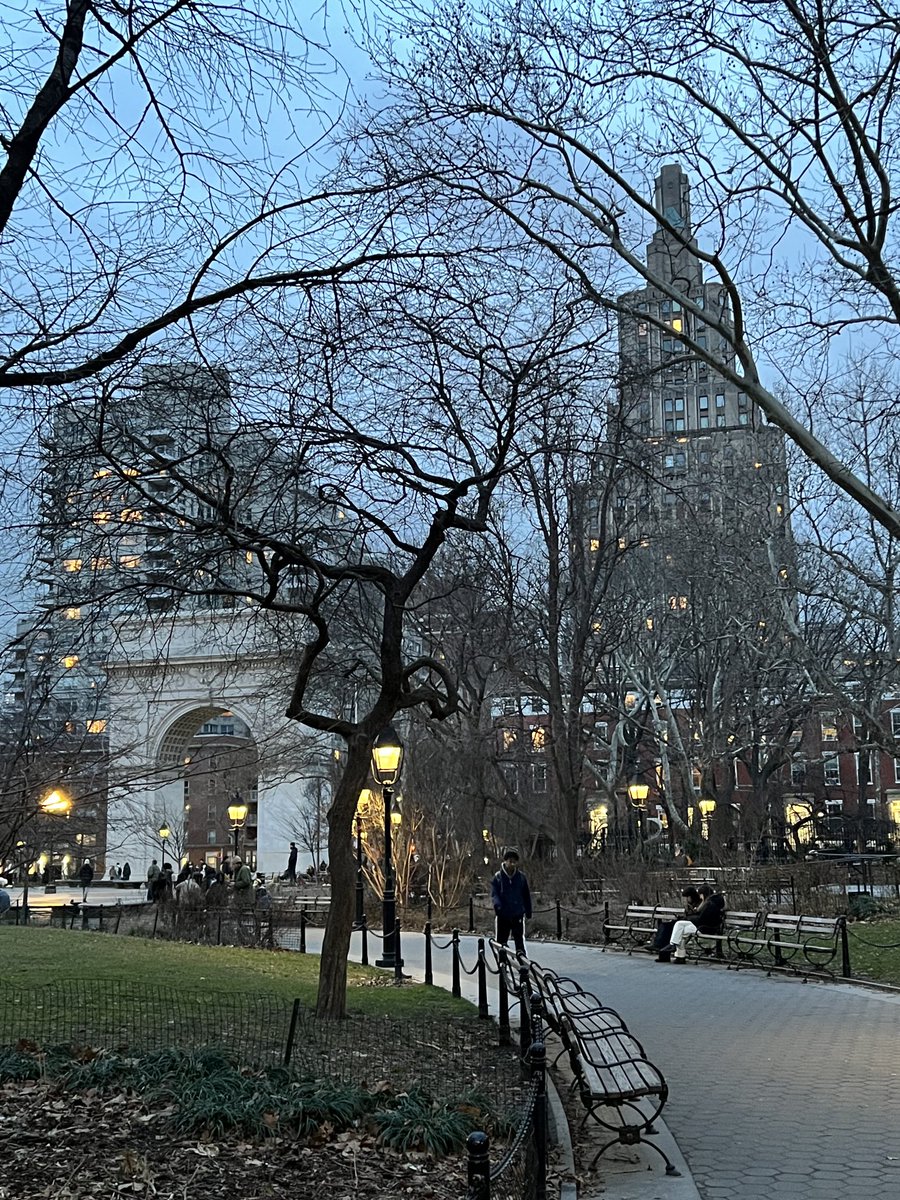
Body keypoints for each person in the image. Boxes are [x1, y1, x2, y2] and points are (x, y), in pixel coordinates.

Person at [661, 883, 726, 963]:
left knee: (679, 927)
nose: (699, 897)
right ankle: (677, 952)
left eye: (700, 895)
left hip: (705, 928)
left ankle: (675, 949)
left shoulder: (710, 904)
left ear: (703, 894)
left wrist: (688, 918)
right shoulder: (711, 902)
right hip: (702, 926)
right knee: (680, 929)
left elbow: (702, 919)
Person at [491, 848, 532, 956]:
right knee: (501, 941)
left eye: (514, 861)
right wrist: (498, 906)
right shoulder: (498, 877)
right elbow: (495, 894)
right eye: (510, 861)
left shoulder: (521, 877)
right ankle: (502, 963)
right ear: (505, 861)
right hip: (503, 914)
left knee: (519, 939)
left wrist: (528, 910)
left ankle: (522, 962)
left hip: (517, 913)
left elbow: (526, 895)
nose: (512, 864)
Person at [653, 887, 699, 963]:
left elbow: (695, 917)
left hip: (691, 924)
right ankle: (659, 947)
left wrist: (687, 916)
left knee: (673, 928)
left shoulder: (699, 904)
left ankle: (662, 950)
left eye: (687, 897)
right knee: (665, 926)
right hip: (685, 922)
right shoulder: (690, 904)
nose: (686, 900)